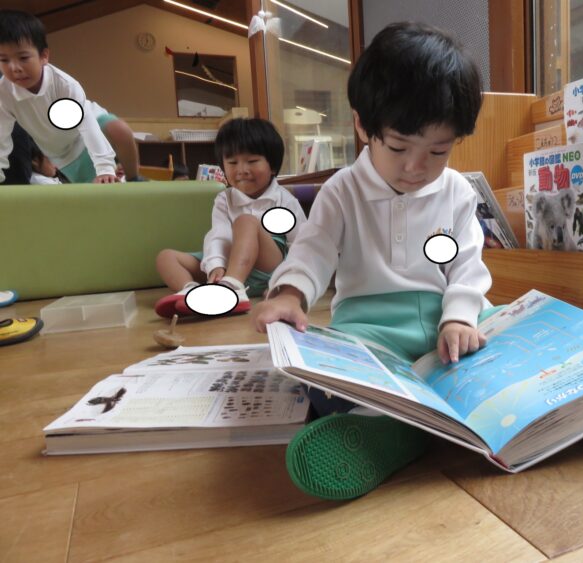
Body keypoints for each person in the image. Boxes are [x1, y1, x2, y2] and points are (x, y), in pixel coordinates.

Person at [253, 22, 500, 500]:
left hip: (449, 325)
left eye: (438, 150)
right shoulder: (341, 191)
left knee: (513, 340)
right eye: (399, 146)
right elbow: (313, 249)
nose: (416, 167)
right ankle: (397, 429)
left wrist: (460, 316)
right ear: (363, 126)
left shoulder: (456, 191)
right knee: (325, 386)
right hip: (369, 328)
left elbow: (468, 265)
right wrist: (289, 294)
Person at [155, 117, 307, 317]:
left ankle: (232, 288)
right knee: (166, 257)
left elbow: (302, 245)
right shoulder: (224, 199)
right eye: (232, 162)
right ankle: (192, 292)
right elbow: (219, 234)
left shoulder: (285, 200)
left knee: (246, 221)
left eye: (252, 161)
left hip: (268, 267)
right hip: (230, 261)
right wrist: (215, 266)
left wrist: (285, 283)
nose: (242, 170)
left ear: (272, 166)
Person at [0, 10, 138, 184]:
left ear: (44, 56)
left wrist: (104, 167)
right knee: (97, 188)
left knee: (120, 130)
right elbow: (1, 136)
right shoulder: (4, 93)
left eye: (23, 58)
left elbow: (88, 125)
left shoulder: (64, 85)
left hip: (89, 124)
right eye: (4, 60)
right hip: (62, 152)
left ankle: (134, 178)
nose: (14, 68)